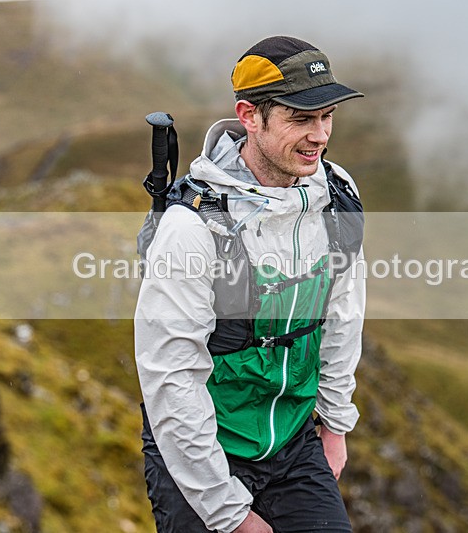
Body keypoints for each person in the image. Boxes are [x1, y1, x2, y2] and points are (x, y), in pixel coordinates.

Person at [134, 35, 365, 533]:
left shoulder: (335, 195)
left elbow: (343, 312)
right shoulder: (191, 229)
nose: (320, 136)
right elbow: (172, 378)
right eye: (300, 119)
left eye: (327, 116)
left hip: (294, 443)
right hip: (203, 453)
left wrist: (335, 423)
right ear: (249, 116)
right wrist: (229, 513)